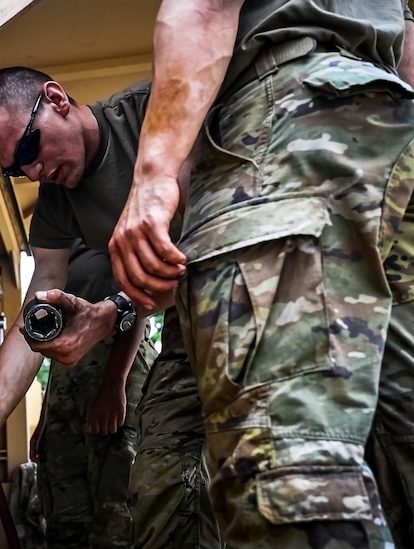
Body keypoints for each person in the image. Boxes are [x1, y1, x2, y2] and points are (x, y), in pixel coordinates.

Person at [99, 1, 414, 547]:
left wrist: (152, 177)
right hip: (391, 122)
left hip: (287, 129)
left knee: (290, 475)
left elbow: (206, 3)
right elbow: (406, 40)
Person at [0, 67, 221, 548]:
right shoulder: (57, 203)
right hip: (185, 326)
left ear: (55, 99)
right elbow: (31, 325)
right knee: (160, 484)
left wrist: (112, 316)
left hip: (240, 289)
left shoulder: (153, 115)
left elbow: (198, 247)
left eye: (28, 149)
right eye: (18, 170)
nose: (34, 173)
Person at [29, 241, 154, 548]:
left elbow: (140, 297)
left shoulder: (118, 209)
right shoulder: (58, 238)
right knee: (64, 512)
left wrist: (114, 385)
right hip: (66, 373)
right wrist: (46, 416)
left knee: (115, 507)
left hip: (116, 356)